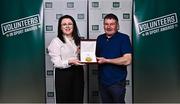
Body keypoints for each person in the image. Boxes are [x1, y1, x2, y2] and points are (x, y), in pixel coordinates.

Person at [96, 13, 132, 103]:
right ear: (103, 25)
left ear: (117, 25)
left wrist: (107, 60)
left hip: (117, 82)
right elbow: (94, 57)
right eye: (106, 24)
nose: (109, 27)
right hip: (103, 82)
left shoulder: (124, 38)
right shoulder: (100, 38)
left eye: (112, 24)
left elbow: (127, 60)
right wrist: (82, 51)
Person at [48, 15, 84, 103]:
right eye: (64, 24)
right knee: (64, 100)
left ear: (74, 26)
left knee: (78, 99)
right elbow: (56, 63)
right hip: (63, 74)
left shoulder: (79, 40)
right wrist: (69, 61)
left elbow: (84, 56)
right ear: (60, 27)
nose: (67, 26)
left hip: (78, 72)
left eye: (70, 24)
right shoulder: (56, 41)